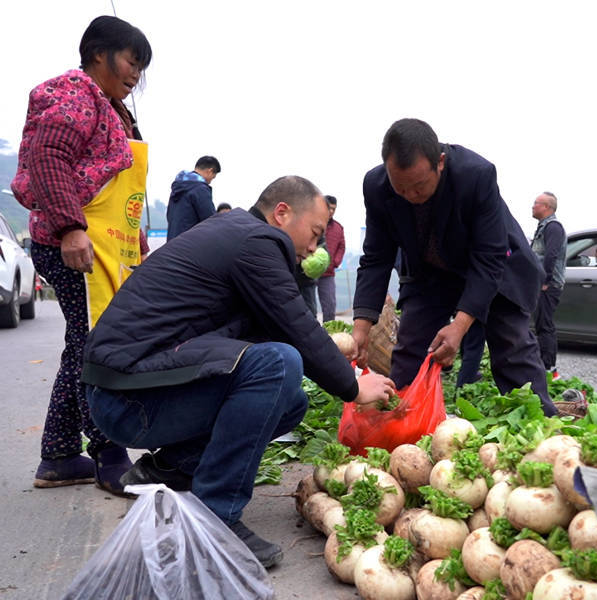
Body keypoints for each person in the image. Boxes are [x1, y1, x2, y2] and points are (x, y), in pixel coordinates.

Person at [81, 176, 396, 567]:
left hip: (126, 391)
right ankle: (217, 517)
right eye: (315, 233)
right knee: (280, 363)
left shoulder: (237, 235)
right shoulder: (257, 241)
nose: (315, 247)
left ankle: (171, 468)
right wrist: (352, 387)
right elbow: (294, 325)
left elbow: (272, 328)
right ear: (281, 213)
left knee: (291, 402)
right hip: (128, 398)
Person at [11, 15, 152, 496]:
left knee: (82, 345)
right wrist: (71, 229)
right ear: (98, 54)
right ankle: (108, 451)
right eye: (132, 60)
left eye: (141, 66)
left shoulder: (111, 108)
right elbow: (47, 158)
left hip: (107, 248)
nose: (136, 73)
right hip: (72, 244)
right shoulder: (75, 91)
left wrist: (138, 249)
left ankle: (58, 456)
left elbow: (123, 198)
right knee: (98, 348)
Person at [352, 118, 557, 416]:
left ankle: (541, 430)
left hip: (492, 266)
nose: (411, 196)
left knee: (513, 348)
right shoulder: (376, 186)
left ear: (441, 163)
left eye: (419, 186)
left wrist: (459, 326)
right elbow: (376, 259)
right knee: (412, 349)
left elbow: (490, 257)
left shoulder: (476, 174)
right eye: (401, 188)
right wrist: (361, 329)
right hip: (428, 272)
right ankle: (401, 425)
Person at [530, 191, 567, 378]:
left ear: (546, 207)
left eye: (536, 203)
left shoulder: (553, 227)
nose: (533, 206)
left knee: (545, 325)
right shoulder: (543, 227)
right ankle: (541, 364)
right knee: (540, 324)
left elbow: (551, 254)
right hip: (542, 284)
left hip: (549, 286)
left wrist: (545, 281)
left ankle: (550, 368)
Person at [165, 155, 221, 240]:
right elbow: (209, 219)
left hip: (172, 242)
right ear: (210, 171)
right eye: (212, 178)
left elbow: (169, 216)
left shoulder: (178, 187)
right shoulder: (200, 189)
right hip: (190, 244)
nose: (210, 182)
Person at [316, 195, 345, 322]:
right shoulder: (313, 222)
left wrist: (335, 262)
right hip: (307, 273)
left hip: (328, 273)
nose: (331, 211)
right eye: (329, 208)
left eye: (334, 209)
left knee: (329, 305)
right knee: (306, 306)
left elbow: (342, 246)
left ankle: (328, 334)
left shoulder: (338, 228)